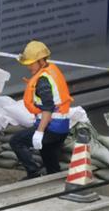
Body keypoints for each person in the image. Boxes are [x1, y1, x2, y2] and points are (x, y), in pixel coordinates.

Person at [9, 40, 72, 180]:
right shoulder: (52, 71)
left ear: (41, 61)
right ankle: (53, 179)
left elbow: (48, 109)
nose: (29, 67)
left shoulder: (43, 81)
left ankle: (33, 172)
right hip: (62, 128)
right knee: (48, 154)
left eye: (31, 63)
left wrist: (39, 132)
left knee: (16, 141)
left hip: (52, 128)